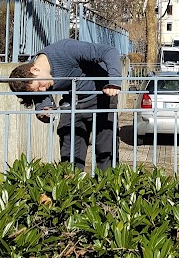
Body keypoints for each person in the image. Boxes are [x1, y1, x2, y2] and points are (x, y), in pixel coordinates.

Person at [8, 39, 123, 171]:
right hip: (71, 104)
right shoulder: (34, 77)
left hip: (102, 97)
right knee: (69, 159)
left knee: (106, 153)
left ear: (34, 69)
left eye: (40, 85)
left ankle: (108, 187)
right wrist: (43, 110)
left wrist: (114, 81)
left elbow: (109, 51)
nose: (43, 90)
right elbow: (40, 97)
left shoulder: (66, 49)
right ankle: (73, 187)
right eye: (38, 89)